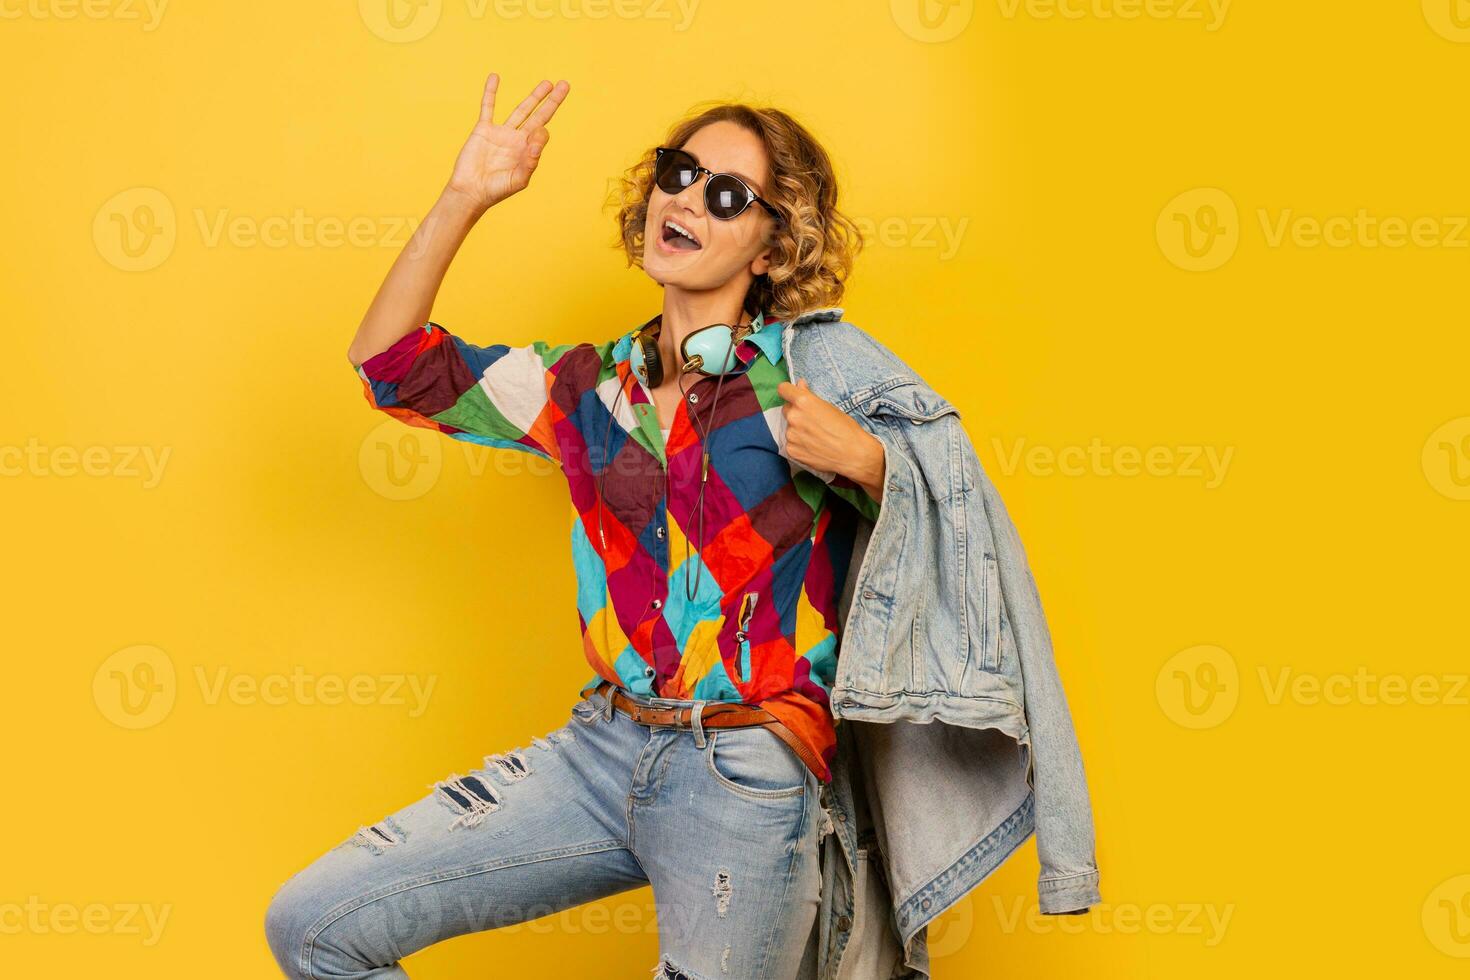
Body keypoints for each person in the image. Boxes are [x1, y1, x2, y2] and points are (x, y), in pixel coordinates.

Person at [265, 72, 894, 980]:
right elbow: (389, 368)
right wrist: (464, 197)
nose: (685, 199)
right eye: (678, 174)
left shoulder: (816, 373)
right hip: (602, 749)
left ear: (771, 246)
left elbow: (951, 525)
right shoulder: (585, 390)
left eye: (727, 195)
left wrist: (870, 462)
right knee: (316, 924)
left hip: (746, 768)